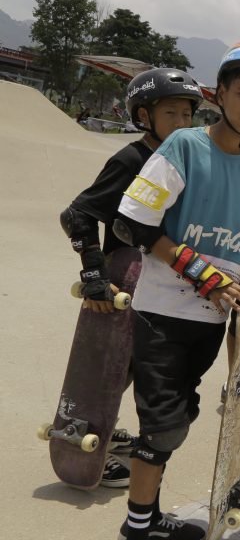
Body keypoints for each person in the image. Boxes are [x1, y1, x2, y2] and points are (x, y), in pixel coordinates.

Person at [111, 41, 240, 540]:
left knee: (181, 417)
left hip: (210, 320)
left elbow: (234, 243)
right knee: (161, 429)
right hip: (161, 311)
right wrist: (198, 270)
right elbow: (133, 222)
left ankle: (148, 518)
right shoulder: (186, 145)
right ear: (220, 93)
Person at [60, 68, 203, 491]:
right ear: (144, 115)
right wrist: (93, 275)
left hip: (165, 286)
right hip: (128, 280)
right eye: (171, 113)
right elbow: (78, 214)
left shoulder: (187, 161)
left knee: (147, 369)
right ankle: (87, 447)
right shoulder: (133, 159)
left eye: (188, 114)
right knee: (111, 371)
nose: (182, 123)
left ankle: (109, 431)